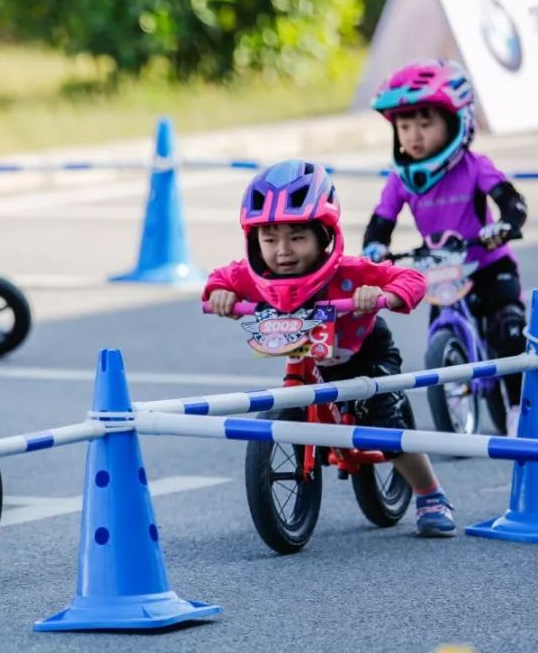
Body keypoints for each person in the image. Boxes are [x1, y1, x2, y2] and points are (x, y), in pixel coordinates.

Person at [204, 160, 457, 536]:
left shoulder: (351, 272)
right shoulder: (256, 276)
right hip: (308, 355)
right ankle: (317, 436)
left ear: (325, 236)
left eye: (297, 237)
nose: (283, 251)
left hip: (364, 351)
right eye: (269, 239)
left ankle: (430, 494)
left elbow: (410, 278)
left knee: (386, 423)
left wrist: (383, 293)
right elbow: (220, 278)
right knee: (301, 395)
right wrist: (220, 294)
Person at [362, 59, 528, 436]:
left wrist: (504, 225)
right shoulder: (401, 181)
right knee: (439, 328)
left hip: (488, 264)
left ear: (455, 123)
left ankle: (519, 406)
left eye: (425, 123)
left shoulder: (474, 166)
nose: (414, 135)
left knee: (510, 331)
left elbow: (512, 202)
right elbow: (381, 223)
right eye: (404, 126)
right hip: (439, 269)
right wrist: (374, 248)